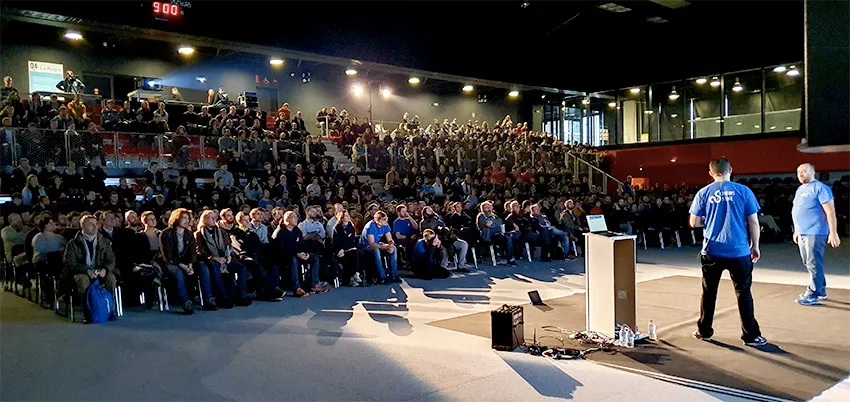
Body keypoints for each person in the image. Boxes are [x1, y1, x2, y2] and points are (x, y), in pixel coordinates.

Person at [689, 158, 766, 347]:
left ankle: (704, 331)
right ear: (730, 169)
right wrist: (755, 245)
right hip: (739, 252)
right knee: (743, 293)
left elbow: (694, 222)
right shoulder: (744, 191)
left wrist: (709, 219)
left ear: (711, 173)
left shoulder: (703, 193)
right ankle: (750, 336)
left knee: (709, 292)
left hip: (712, 251)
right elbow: (753, 222)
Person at [792, 163, 841, 305]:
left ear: (812, 173)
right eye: (798, 172)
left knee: (813, 263)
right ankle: (821, 290)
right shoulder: (800, 190)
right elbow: (798, 210)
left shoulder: (821, 188)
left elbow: (830, 211)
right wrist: (797, 230)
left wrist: (833, 233)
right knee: (808, 262)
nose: (801, 174)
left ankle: (813, 293)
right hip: (802, 232)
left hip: (815, 231)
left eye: (804, 171)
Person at [195, 210, 252, 307]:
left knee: (241, 268)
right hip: (210, 259)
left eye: (214, 217)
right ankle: (223, 297)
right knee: (215, 268)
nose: (213, 219)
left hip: (225, 257)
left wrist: (229, 256)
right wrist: (214, 258)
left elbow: (228, 246)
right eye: (210, 217)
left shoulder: (221, 232)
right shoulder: (199, 234)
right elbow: (199, 250)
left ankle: (241, 295)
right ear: (204, 220)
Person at [64, 215, 117, 299]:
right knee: (83, 280)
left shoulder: (104, 242)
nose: (95, 226)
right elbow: (70, 263)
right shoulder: (73, 243)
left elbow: (111, 260)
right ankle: (87, 304)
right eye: (90, 224)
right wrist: (87, 270)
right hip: (81, 271)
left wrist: (105, 269)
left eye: (96, 224)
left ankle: (108, 303)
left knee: (111, 278)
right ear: (82, 226)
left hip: (100, 270)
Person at [359, 210, 401, 284]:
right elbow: (371, 244)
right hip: (365, 246)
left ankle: (393, 274)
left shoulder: (385, 225)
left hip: (377, 244)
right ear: (378, 221)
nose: (386, 221)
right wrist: (384, 247)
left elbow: (390, 239)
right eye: (384, 219)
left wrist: (390, 245)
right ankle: (382, 276)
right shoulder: (370, 226)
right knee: (376, 250)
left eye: (386, 219)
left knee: (394, 248)